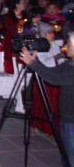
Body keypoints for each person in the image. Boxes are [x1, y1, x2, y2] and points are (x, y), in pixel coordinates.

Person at [19, 33, 74, 166]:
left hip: (72, 120)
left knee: (71, 155)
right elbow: (52, 72)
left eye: (69, 45)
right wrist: (35, 61)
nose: (65, 47)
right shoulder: (70, 63)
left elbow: (54, 79)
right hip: (66, 117)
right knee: (66, 154)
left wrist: (32, 63)